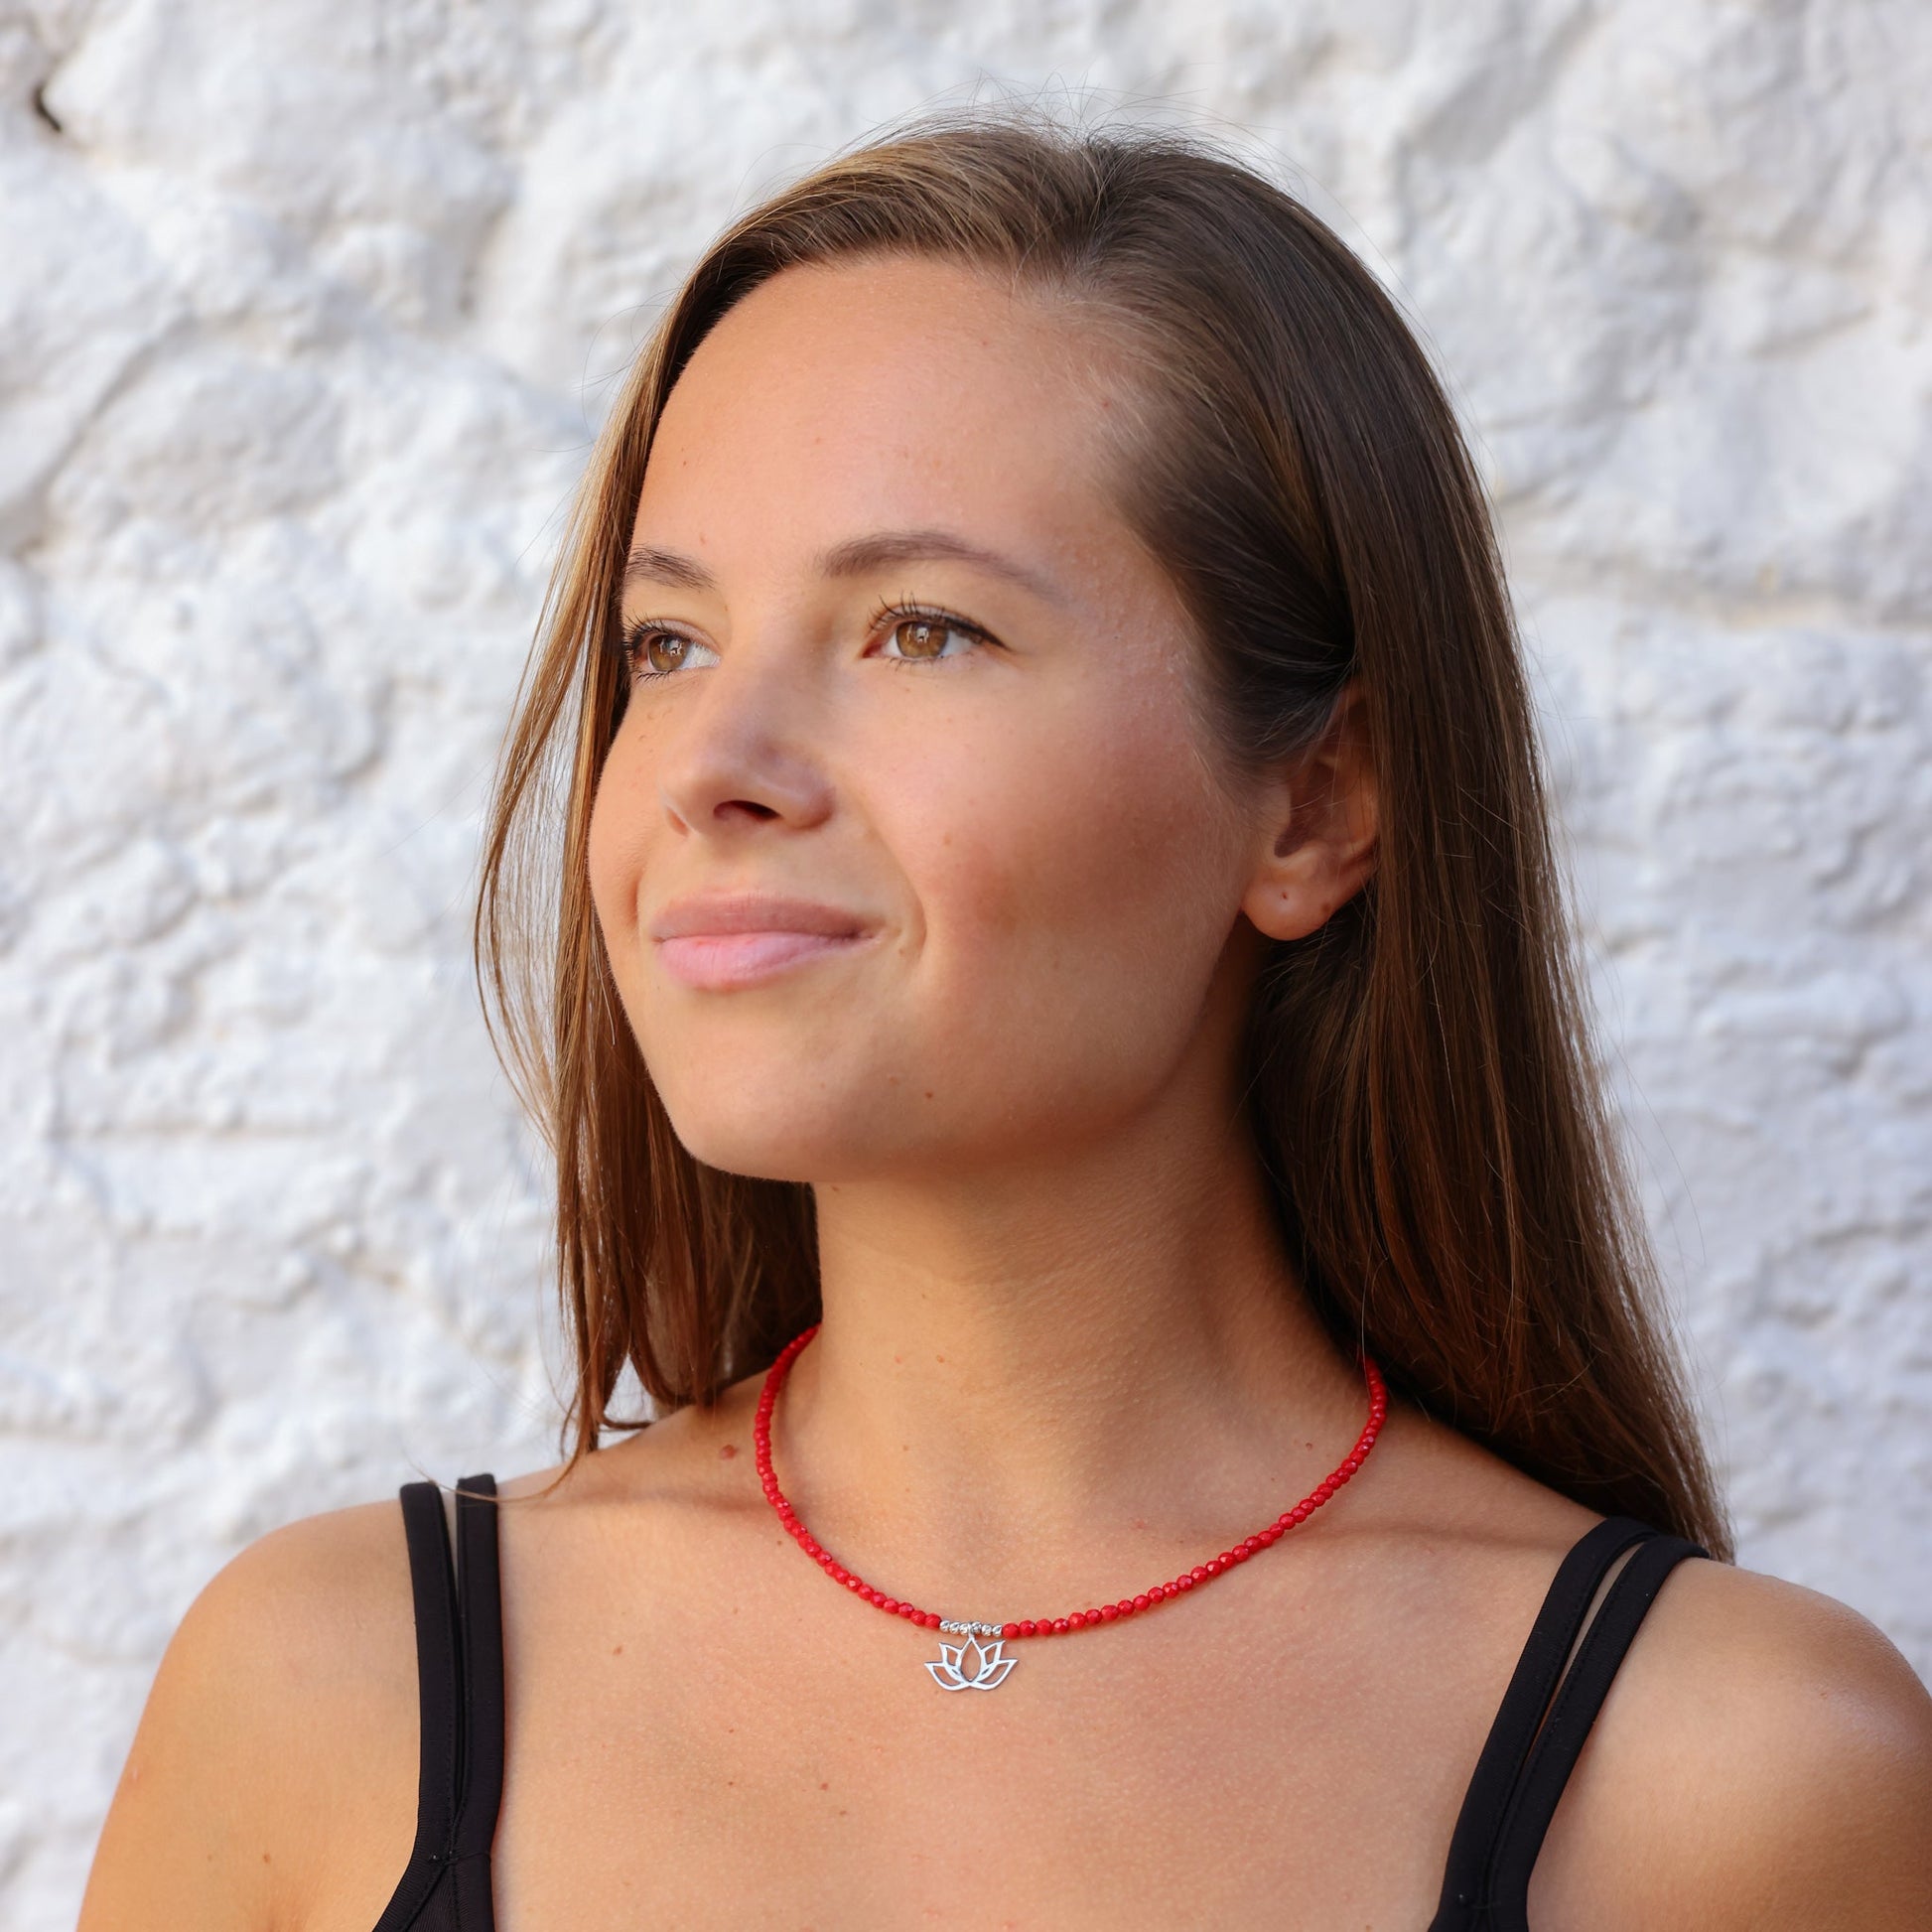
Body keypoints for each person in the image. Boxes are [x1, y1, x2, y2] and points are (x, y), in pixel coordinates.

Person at [79, 110, 1932, 1931]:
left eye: (919, 629)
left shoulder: (1734, 1779)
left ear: (1312, 804)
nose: (710, 769)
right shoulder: (334, 1702)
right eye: (668, 644)